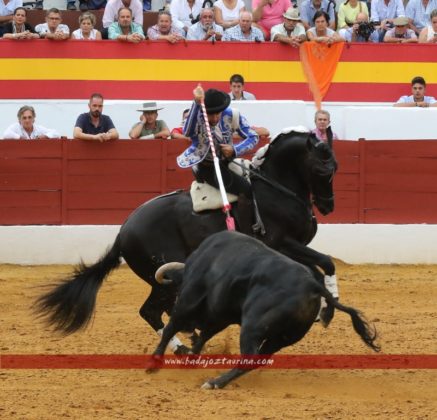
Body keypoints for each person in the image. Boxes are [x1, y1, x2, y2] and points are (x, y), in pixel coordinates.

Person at [177, 85, 259, 232]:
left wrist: (235, 150)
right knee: (245, 189)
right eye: (210, 115)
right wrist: (196, 103)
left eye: (217, 114)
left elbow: (253, 136)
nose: (214, 118)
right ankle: (247, 232)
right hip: (207, 166)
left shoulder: (232, 115)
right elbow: (187, 131)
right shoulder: (197, 116)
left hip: (228, 161)